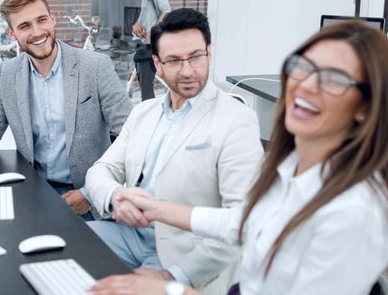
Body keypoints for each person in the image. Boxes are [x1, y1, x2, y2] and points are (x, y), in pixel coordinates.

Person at [89, 20, 388, 295]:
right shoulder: (293, 166)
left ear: (367, 106)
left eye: (334, 80)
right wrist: (153, 209)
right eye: (304, 67)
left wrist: (172, 289)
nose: (307, 85)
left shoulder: (355, 212)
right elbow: (243, 221)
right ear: (158, 64)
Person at [84, 8, 264, 294]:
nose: (188, 70)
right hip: (129, 234)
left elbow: (241, 222)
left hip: (186, 251)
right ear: (157, 64)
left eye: (195, 57)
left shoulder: (237, 120)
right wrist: (116, 196)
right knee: (61, 253)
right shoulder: (144, 112)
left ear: (209, 53)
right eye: (175, 61)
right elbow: (100, 171)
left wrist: (173, 276)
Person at [0, 0, 133, 220]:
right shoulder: (8, 73)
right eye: (24, 26)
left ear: (52, 18)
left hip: (86, 199)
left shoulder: (95, 67)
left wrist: (90, 192)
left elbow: (130, 135)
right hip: (32, 193)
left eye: (41, 20)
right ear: (12, 33)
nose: (37, 32)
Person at [125, 0, 171, 100]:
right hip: (134, 41)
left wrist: (154, 30)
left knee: (145, 86)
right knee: (139, 81)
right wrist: (133, 24)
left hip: (150, 41)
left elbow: (166, 10)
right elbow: (128, 15)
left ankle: (149, 115)